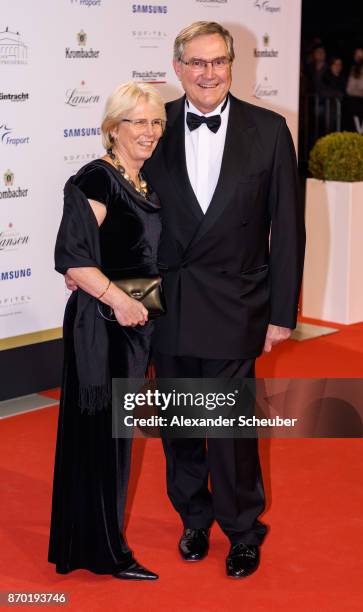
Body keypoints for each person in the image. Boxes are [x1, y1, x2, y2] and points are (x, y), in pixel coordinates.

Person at [144, 21, 305, 578]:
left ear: (232, 65)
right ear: (177, 67)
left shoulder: (269, 130)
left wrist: (281, 313)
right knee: (179, 422)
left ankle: (242, 528)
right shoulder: (151, 125)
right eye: (196, 62)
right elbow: (128, 215)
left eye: (218, 62)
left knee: (231, 426)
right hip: (170, 301)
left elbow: (286, 229)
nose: (208, 73)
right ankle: (194, 516)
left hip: (238, 300)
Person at [48, 82, 166, 580]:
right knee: (104, 439)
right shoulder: (97, 179)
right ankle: (106, 552)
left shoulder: (140, 180)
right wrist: (119, 301)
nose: (149, 131)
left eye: (156, 121)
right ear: (112, 128)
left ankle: (88, 542)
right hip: (103, 327)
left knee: (109, 438)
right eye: (137, 121)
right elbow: (72, 257)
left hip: (132, 325)